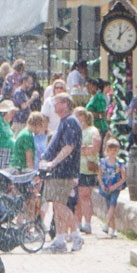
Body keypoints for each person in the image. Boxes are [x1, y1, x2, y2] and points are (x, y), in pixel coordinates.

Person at [39, 93, 84, 251]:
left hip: (65, 170)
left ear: (65, 104)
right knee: (58, 206)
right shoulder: (64, 122)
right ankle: (60, 239)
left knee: (60, 205)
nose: (54, 106)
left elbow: (69, 146)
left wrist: (53, 163)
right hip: (59, 171)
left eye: (56, 103)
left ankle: (76, 234)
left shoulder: (71, 122)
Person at [97, 138, 126, 236]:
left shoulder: (119, 163)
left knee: (113, 205)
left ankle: (106, 224)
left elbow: (123, 177)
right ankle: (113, 228)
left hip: (115, 187)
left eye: (115, 150)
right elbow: (99, 175)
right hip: (106, 187)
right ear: (107, 150)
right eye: (110, 150)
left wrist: (115, 186)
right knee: (109, 207)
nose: (112, 152)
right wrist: (101, 185)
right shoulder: (103, 162)